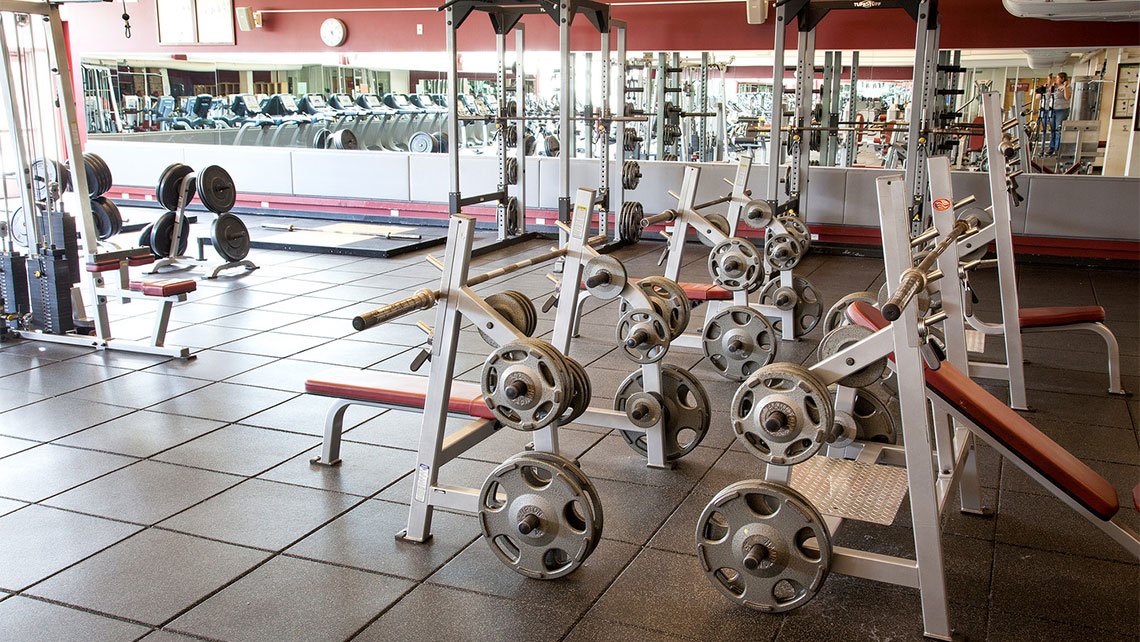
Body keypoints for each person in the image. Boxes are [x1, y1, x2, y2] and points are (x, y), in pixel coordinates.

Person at [1049, 72, 1072, 155]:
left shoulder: (1068, 87)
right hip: (1053, 109)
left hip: (1062, 110)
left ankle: (1057, 148)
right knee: (1052, 129)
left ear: (1062, 79)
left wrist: (1065, 87)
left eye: (1058, 78)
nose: (1056, 79)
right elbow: (1048, 95)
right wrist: (1051, 86)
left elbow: (1067, 97)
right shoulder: (1054, 87)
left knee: (1058, 129)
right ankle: (1051, 147)